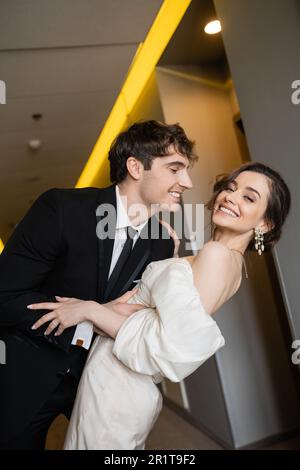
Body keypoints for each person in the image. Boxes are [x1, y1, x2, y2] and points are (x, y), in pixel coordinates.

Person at [30, 161, 291, 450]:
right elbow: (169, 312)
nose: (231, 196)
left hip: (119, 383)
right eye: (231, 188)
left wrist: (90, 310)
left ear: (265, 223)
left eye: (249, 197)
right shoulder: (229, 263)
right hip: (118, 379)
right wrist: (173, 260)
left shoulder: (216, 254)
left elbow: (169, 343)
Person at [0, 120, 197, 450]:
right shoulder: (62, 209)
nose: (186, 182)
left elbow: (144, 317)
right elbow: (5, 295)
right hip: (28, 371)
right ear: (135, 166)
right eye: (175, 169)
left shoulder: (162, 242)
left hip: (104, 382)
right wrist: (88, 316)